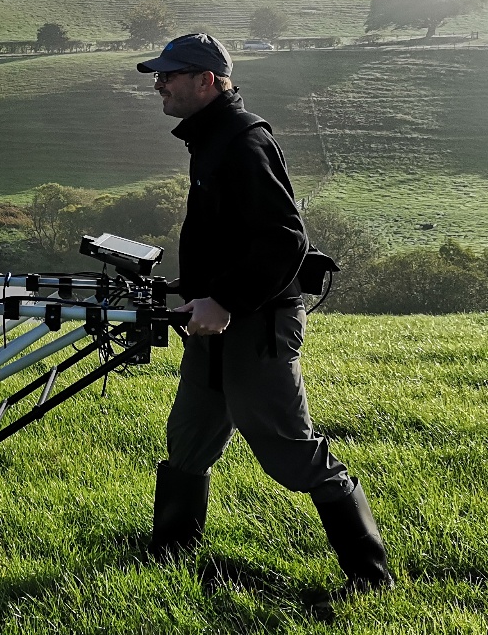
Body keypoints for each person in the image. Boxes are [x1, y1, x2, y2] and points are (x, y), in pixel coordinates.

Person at [136, 33, 392, 595]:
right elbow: (231, 237)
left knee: (289, 450)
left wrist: (224, 300)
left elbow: (283, 239)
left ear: (206, 81)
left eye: (170, 75)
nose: (159, 83)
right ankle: (170, 553)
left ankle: (371, 579)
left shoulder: (242, 141)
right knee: (189, 438)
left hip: (254, 325)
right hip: (218, 320)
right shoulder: (209, 139)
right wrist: (193, 287)